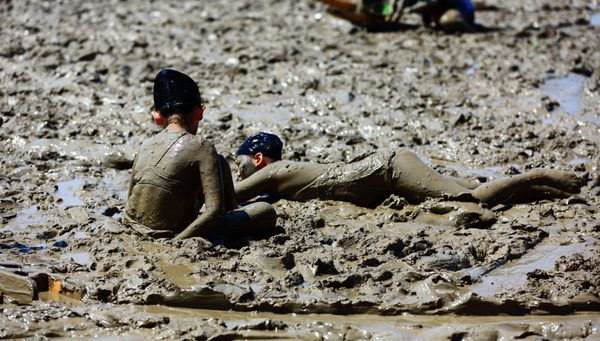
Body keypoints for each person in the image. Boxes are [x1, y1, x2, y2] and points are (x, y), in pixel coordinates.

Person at [233, 132, 584, 209]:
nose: (240, 172)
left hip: (388, 168)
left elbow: (227, 196)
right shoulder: (276, 179)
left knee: (473, 199)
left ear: (259, 159)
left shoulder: (273, 173)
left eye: (241, 165)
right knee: (482, 187)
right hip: (387, 168)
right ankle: (545, 192)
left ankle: (535, 176)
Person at [123, 69, 276, 240]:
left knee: (220, 161)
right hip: (173, 233)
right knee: (265, 211)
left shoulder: (145, 145)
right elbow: (214, 211)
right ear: (200, 112)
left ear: (157, 117)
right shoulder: (202, 147)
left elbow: (130, 201)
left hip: (133, 226)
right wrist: (179, 241)